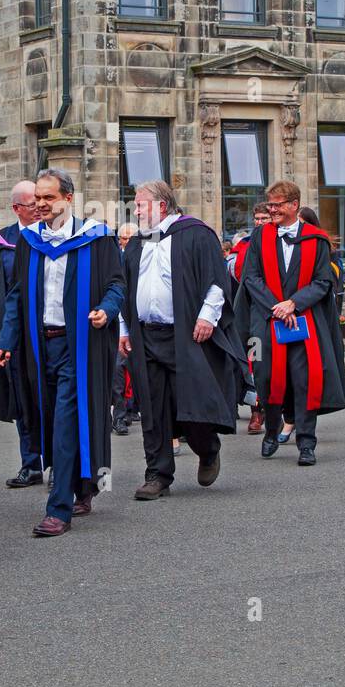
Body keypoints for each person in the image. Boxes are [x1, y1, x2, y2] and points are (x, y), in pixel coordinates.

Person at [0, 167, 124, 537]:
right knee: (49, 418)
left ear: (69, 198)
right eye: (37, 198)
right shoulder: (29, 241)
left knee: (69, 418)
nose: (41, 204)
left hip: (79, 344)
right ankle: (83, 486)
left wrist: (107, 309)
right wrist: (6, 340)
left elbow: (117, 284)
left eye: (48, 197)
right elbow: (17, 294)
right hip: (39, 346)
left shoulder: (96, 239)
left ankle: (58, 507)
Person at [119, 181, 248, 500]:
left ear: (162, 206)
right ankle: (157, 473)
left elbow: (216, 281)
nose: (135, 210)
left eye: (140, 204)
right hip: (145, 335)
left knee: (192, 400)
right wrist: (123, 330)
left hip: (185, 334)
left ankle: (207, 447)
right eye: (134, 205)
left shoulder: (196, 234)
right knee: (152, 406)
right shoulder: (137, 243)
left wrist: (207, 316)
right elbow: (123, 288)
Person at [235, 180, 345, 466]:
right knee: (269, 378)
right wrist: (277, 306)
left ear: (294, 205)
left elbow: (324, 282)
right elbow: (251, 278)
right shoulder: (260, 238)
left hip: (303, 322)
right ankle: (271, 432)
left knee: (304, 380)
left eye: (276, 205)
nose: (271, 210)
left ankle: (307, 443)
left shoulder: (316, 239)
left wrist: (294, 303)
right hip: (268, 319)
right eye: (269, 205)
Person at [0, 180, 44, 488]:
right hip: (14, 338)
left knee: (51, 398)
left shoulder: (54, 236)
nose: (38, 208)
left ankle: (59, 463)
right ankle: (31, 463)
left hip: (48, 333)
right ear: (17, 208)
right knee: (22, 399)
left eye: (40, 202)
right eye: (32, 204)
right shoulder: (0, 243)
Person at [231, 202, 271, 434]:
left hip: (277, 312)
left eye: (263, 218)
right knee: (254, 363)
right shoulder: (247, 245)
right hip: (251, 311)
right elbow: (238, 274)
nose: (258, 222)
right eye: (256, 218)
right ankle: (257, 411)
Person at [111, 223, 140, 435]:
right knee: (118, 372)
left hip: (141, 321)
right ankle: (118, 417)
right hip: (119, 321)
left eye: (131, 238)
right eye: (123, 238)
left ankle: (134, 409)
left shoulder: (143, 257)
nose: (127, 241)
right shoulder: (114, 260)